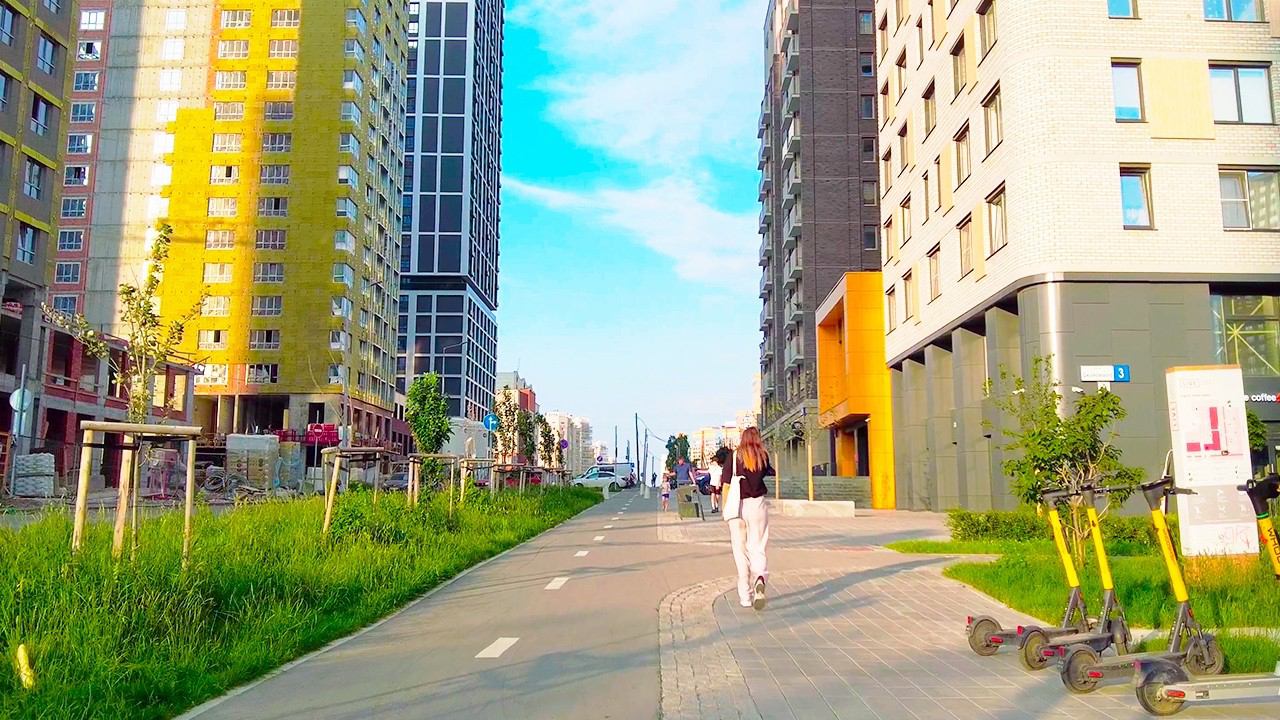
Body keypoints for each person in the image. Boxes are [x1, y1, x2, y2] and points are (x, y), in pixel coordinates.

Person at [717, 427, 774, 610]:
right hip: (757, 505)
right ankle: (760, 577)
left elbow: (726, 485)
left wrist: (724, 508)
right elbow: (767, 473)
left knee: (740, 550)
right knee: (758, 546)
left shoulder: (734, 457)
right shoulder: (763, 456)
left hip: (737, 507)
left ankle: (745, 596)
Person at [707, 447, 729, 514]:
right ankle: (713, 507)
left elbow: (720, 476)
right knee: (712, 495)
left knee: (717, 495)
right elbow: (707, 472)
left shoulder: (719, 468)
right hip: (712, 483)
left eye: (714, 462)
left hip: (717, 483)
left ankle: (716, 506)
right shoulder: (711, 467)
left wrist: (718, 484)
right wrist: (698, 471)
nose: (713, 463)